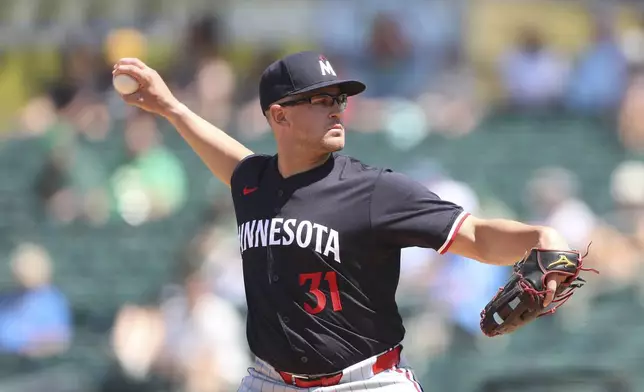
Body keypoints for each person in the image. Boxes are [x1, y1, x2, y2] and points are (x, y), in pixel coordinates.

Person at [113, 51, 573, 391]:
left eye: (338, 97)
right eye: (318, 99)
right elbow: (228, 156)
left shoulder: (373, 191)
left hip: (364, 384)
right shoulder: (252, 182)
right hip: (271, 382)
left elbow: (473, 235)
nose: (336, 107)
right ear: (279, 114)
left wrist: (539, 235)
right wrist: (170, 107)